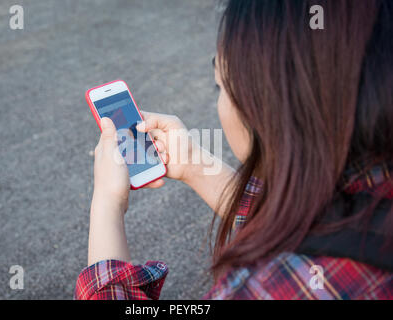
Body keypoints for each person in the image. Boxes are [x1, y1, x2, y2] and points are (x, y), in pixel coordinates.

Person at [75, 0, 392, 300]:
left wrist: (106, 203)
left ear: (269, 112)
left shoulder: (269, 286)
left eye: (221, 86)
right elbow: (310, 219)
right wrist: (193, 165)